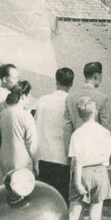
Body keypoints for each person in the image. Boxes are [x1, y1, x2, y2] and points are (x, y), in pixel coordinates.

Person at [59, 96, 111, 220]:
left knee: (73, 214)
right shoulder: (104, 132)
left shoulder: (77, 134)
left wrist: (76, 181)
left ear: (79, 114)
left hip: (81, 173)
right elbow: (107, 156)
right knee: (95, 215)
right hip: (100, 172)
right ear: (95, 112)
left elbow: (76, 160)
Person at [62, 62, 111, 220]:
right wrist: (109, 154)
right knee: (97, 203)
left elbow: (67, 128)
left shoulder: (70, 97)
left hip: (77, 151)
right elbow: (107, 126)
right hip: (96, 156)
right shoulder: (102, 97)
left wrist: (70, 153)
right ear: (97, 76)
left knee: (76, 198)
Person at [35, 67, 74, 199]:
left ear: (56, 81)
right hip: (62, 158)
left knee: (44, 199)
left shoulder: (42, 100)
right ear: (71, 83)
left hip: (43, 156)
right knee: (61, 199)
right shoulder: (70, 101)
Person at [0, 80, 40, 177]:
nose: (29, 100)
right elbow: (32, 143)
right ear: (23, 96)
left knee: (5, 190)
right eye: (29, 96)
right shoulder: (26, 116)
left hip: (5, 161)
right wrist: (36, 163)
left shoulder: (2, 114)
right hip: (23, 163)